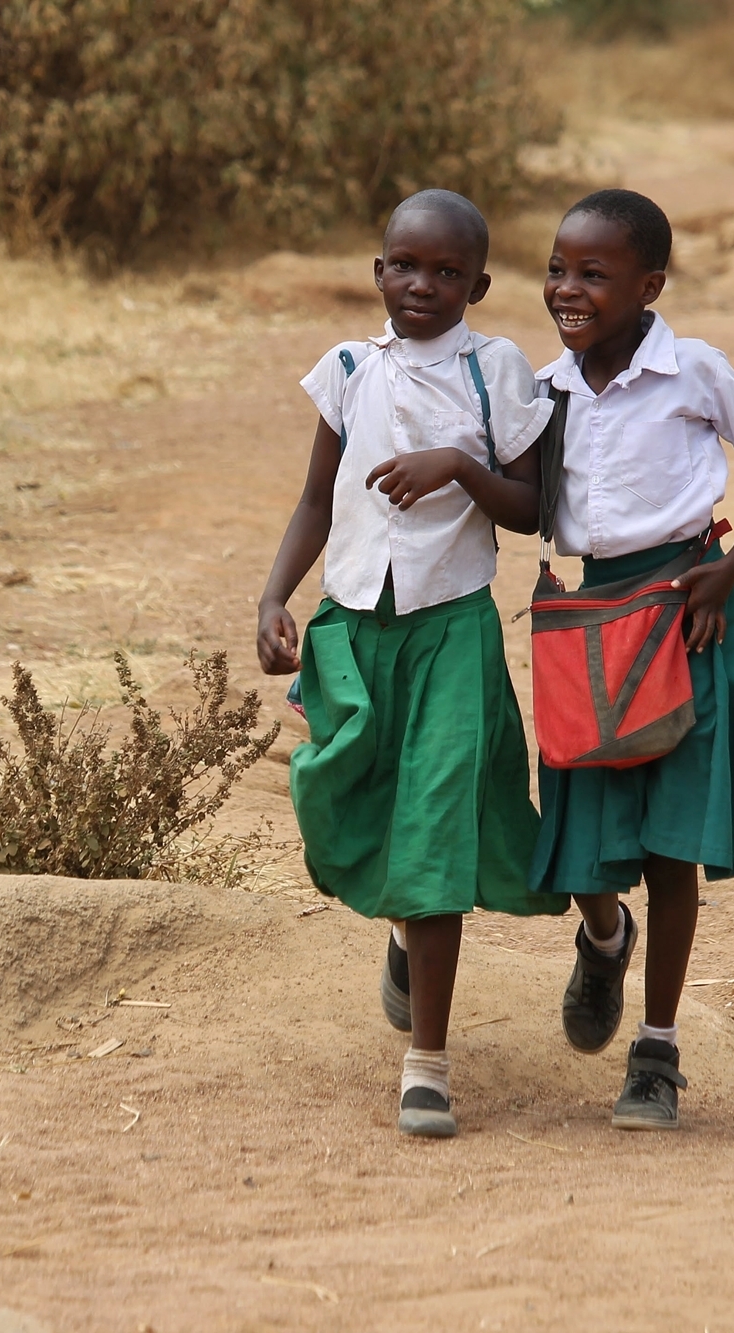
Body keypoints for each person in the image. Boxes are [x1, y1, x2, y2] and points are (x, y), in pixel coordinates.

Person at [255, 189, 568, 1139]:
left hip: (449, 634)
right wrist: (276, 597)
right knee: (340, 800)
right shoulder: (349, 369)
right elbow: (317, 500)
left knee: (433, 829)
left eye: (444, 272)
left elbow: (533, 506)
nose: (420, 285)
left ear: (477, 283)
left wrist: (459, 469)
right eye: (403, 264)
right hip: (355, 632)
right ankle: (401, 932)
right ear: (377, 270)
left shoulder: (496, 371)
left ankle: (426, 1064)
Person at [530, 188, 734, 1131]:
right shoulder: (546, 386)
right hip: (592, 616)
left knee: (669, 842)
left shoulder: (694, 371)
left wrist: (726, 571)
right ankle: (604, 937)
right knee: (580, 834)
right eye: (558, 269)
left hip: (690, 611)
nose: (568, 289)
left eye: (593, 274)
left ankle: (657, 1048)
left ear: (649, 285)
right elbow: (526, 505)